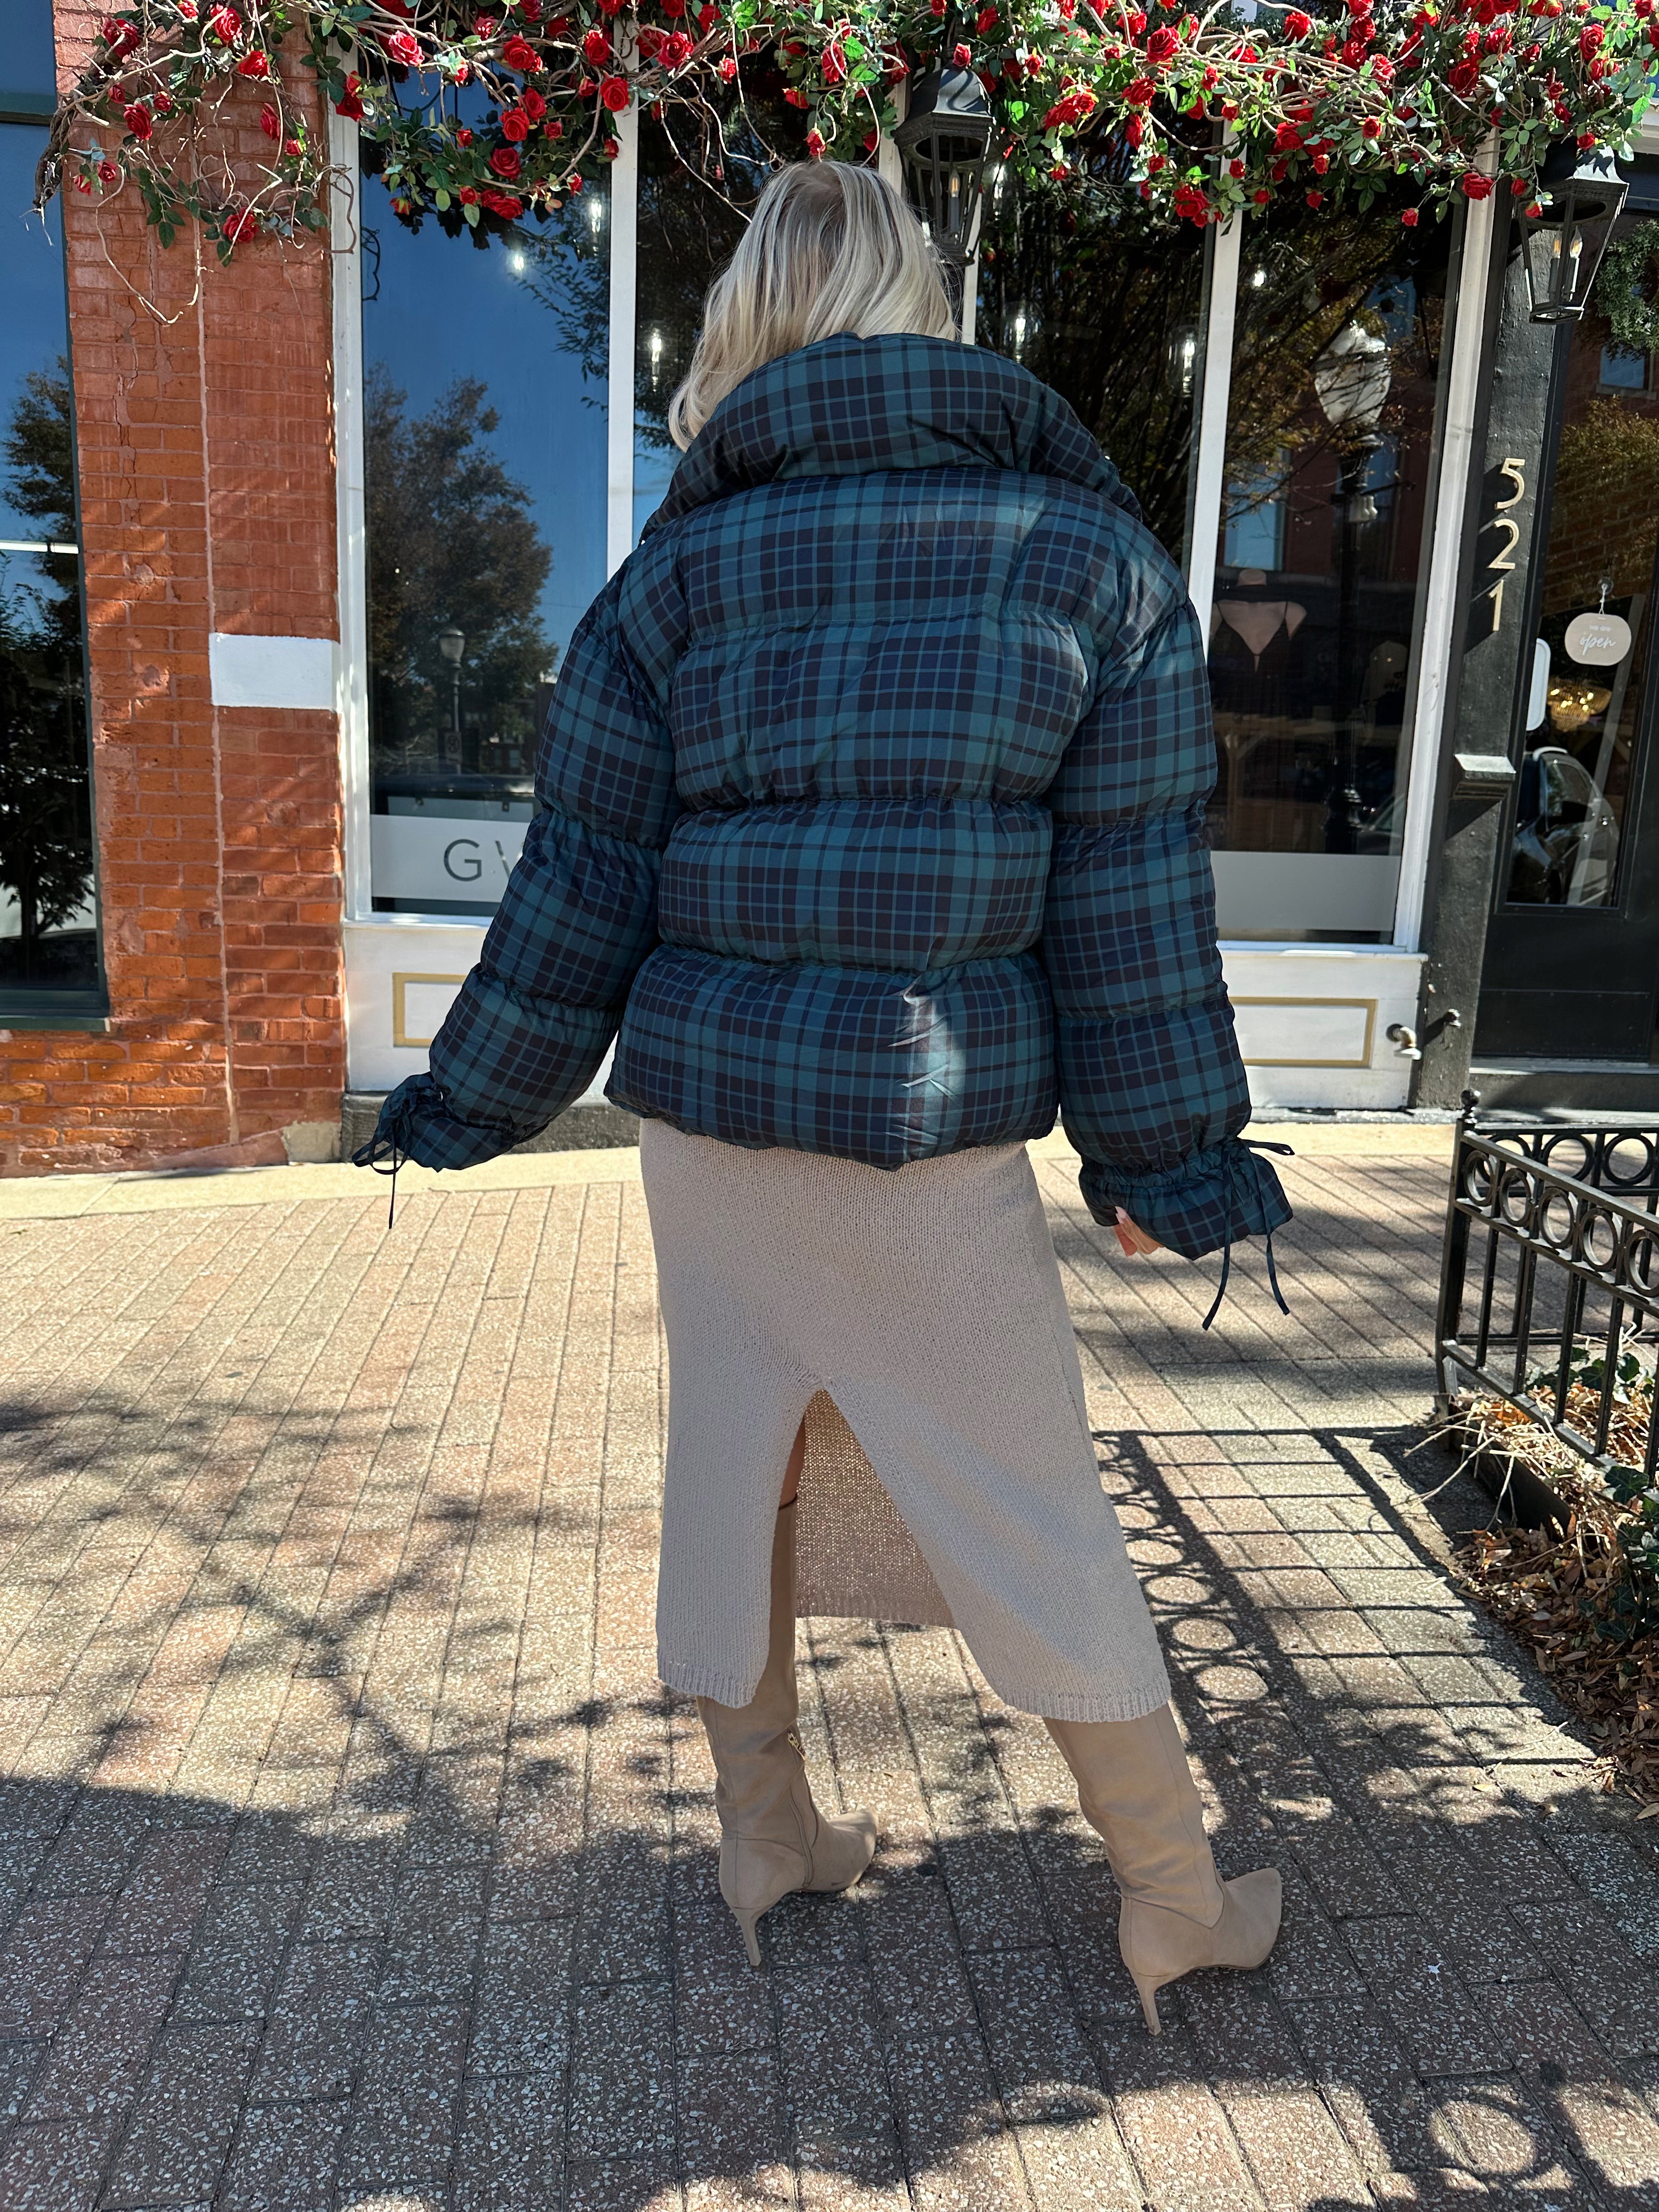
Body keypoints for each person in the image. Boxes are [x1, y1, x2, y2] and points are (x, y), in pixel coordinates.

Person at [357, 161, 1291, 2034]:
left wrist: (465, 1100)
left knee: (738, 1467)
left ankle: (766, 1836)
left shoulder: (667, 582)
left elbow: (577, 897)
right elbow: (1131, 915)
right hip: (923, 1137)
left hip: (706, 1137)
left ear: (744, 335)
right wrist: (1171, 1161)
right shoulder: (1091, 561)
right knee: (1032, 1498)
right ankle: (1171, 1898)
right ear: (930, 311)